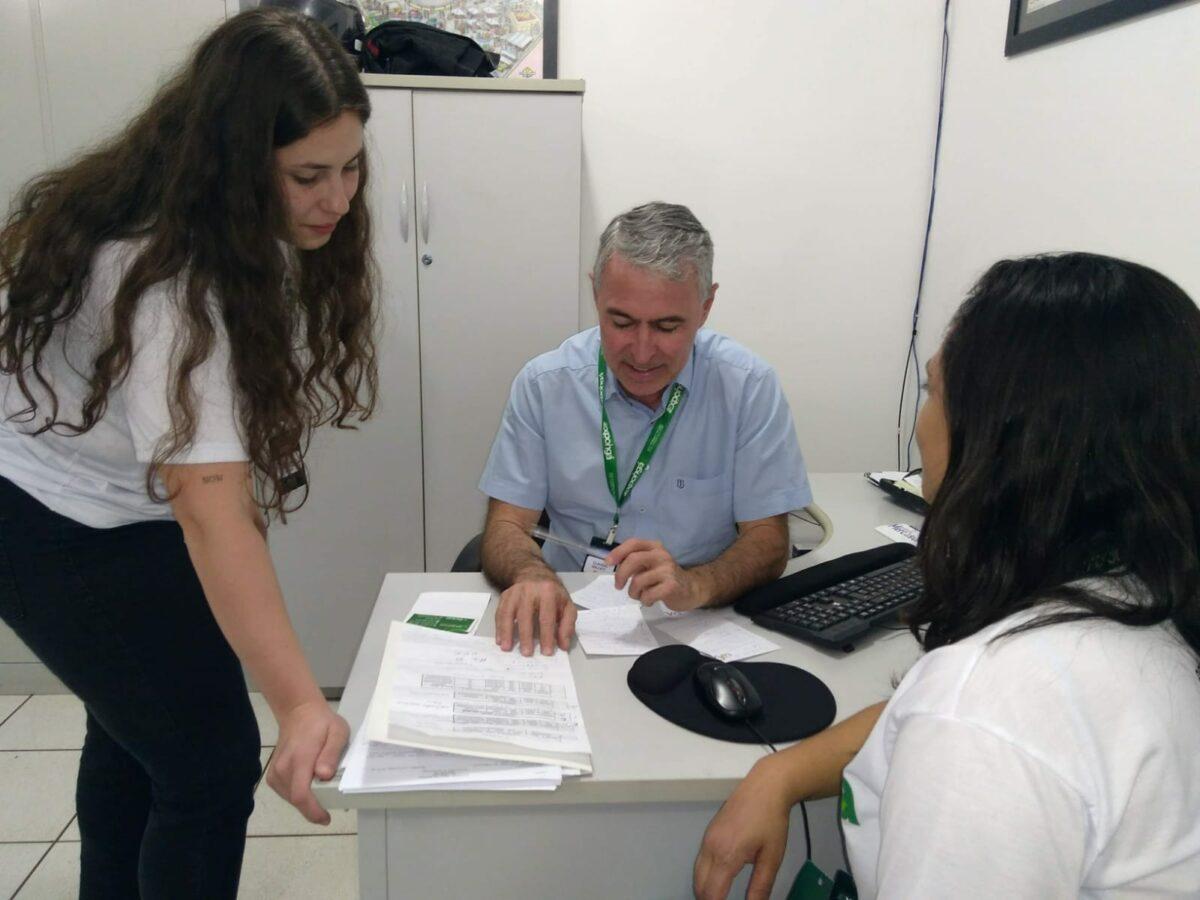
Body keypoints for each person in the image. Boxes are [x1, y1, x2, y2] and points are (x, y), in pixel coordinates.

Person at [0, 10, 376, 897]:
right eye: (308, 176)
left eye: (352, 165)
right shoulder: (167, 278)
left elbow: (209, 487)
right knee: (206, 770)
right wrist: (295, 701)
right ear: (236, 162)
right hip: (43, 523)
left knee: (135, 737)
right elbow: (210, 503)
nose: (339, 199)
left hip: (115, 507)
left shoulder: (185, 206)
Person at [693, 252, 1200, 899]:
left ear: (998, 440)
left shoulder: (986, 715)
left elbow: (979, 722)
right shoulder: (1142, 602)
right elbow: (929, 714)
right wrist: (782, 773)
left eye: (934, 391)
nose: (920, 423)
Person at [479, 201, 812, 656]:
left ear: (706, 306)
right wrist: (532, 576)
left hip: (699, 625)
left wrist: (695, 584)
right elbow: (505, 526)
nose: (640, 351)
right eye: (621, 322)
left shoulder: (748, 388)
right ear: (595, 293)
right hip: (569, 620)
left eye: (666, 326)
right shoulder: (544, 385)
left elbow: (769, 541)